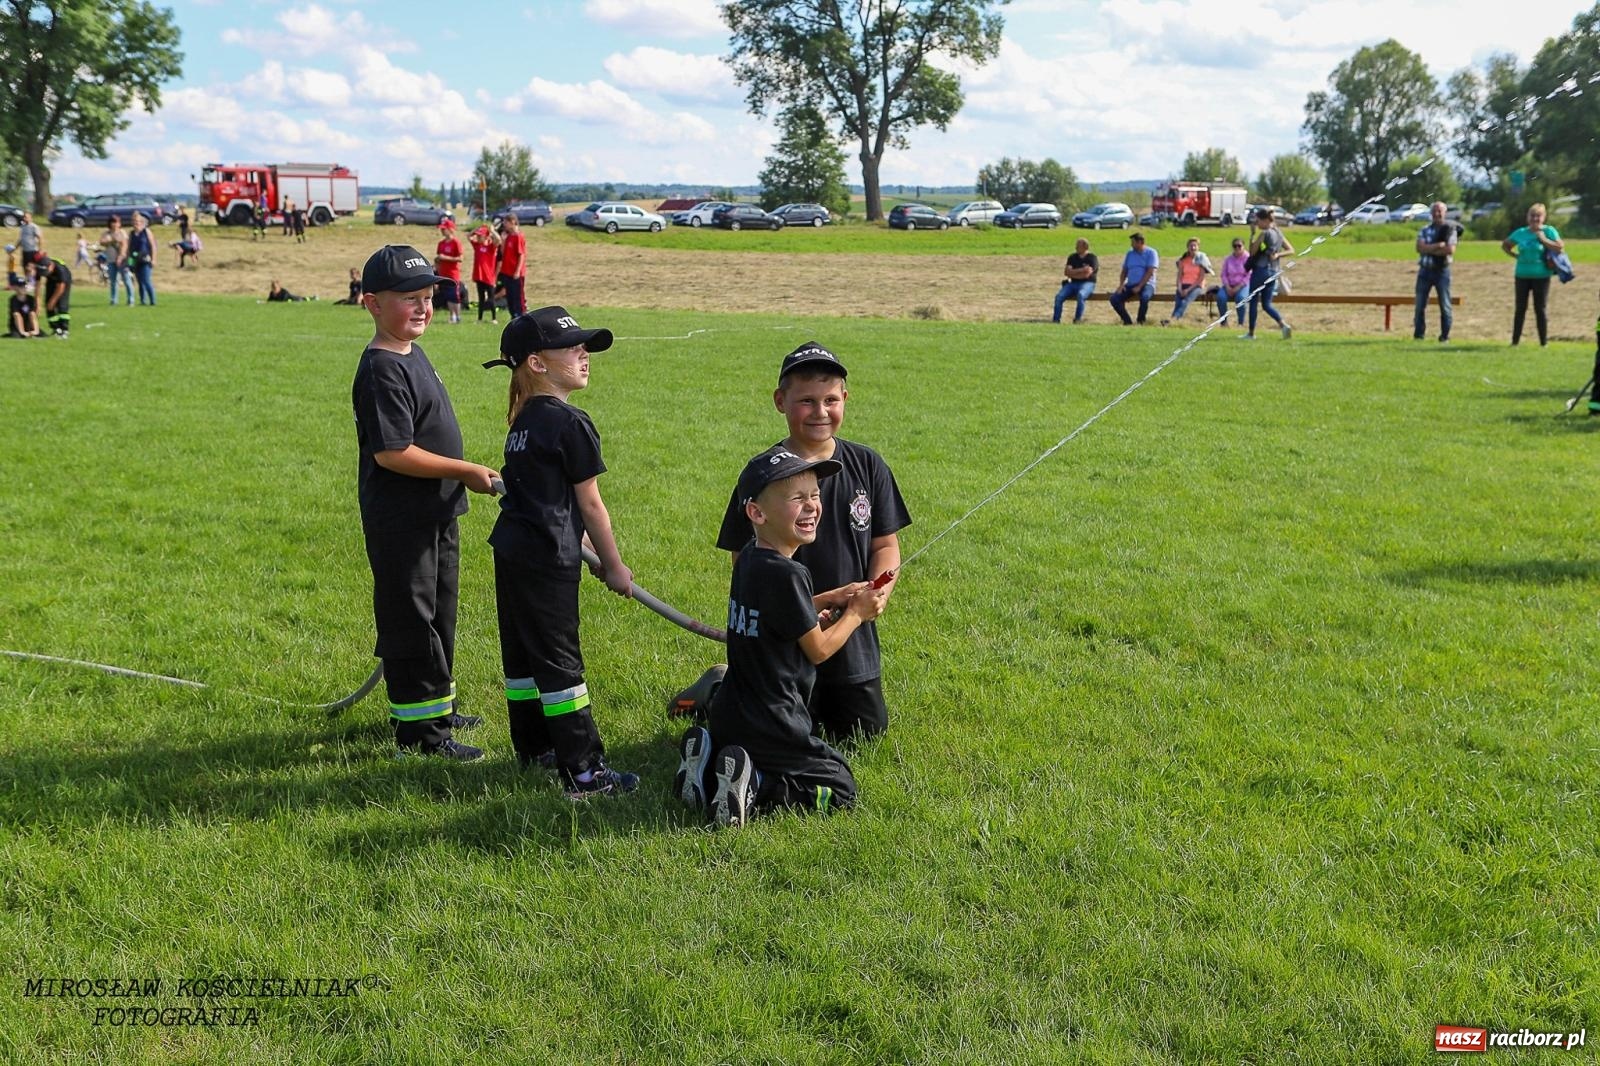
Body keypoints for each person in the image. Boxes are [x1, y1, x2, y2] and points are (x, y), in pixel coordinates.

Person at [683, 341, 910, 743]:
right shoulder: (761, 476)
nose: (820, 412)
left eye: (830, 400)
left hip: (847, 639)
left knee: (862, 734)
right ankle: (721, 689)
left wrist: (878, 592)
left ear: (845, 399)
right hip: (784, 646)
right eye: (806, 401)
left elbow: (885, 546)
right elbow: (744, 561)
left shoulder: (868, 465)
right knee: (778, 729)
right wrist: (796, 612)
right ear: (780, 401)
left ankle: (733, 686)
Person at [673, 449, 890, 827]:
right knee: (841, 786)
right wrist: (856, 613)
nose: (812, 506)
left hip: (732, 713)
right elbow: (819, 650)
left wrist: (833, 596)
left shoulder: (750, 562)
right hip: (775, 722)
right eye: (797, 498)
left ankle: (708, 767)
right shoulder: (790, 574)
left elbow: (784, 610)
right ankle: (758, 784)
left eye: (815, 495)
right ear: (757, 513)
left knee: (799, 765)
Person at [481, 306, 640, 796]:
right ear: (536, 363)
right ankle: (585, 773)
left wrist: (584, 544)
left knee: (525, 657)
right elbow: (589, 503)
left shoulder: (524, 420)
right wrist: (613, 565)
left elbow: (545, 496)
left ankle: (535, 748)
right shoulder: (571, 423)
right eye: (573, 347)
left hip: (513, 550)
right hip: (546, 559)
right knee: (558, 662)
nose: (584, 355)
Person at [351, 245, 500, 759]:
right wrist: (465, 471)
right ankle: (421, 735)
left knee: (440, 612)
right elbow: (393, 453)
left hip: (437, 510)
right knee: (412, 619)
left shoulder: (411, 352)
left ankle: (437, 706)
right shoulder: (381, 369)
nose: (421, 308)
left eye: (427, 297)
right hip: (402, 519)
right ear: (371, 303)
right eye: (407, 299)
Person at [1501, 202, 1564, 347]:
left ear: (1544, 217)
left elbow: (1560, 248)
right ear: (1528, 217)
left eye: (1538, 216)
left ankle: (1543, 342)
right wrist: (1514, 255)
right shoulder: (1521, 233)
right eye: (1532, 215)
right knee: (1520, 308)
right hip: (1522, 275)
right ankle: (1515, 342)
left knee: (1540, 309)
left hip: (1541, 276)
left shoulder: (1549, 231)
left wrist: (1543, 240)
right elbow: (1505, 245)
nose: (1535, 219)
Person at [1412, 201, 1458, 343]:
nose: (1437, 214)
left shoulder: (1450, 229)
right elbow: (1420, 248)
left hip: (1442, 272)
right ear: (1431, 213)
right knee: (1420, 305)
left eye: (1440, 211)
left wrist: (1429, 248)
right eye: (1435, 211)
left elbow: (1450, 250)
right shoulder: (1424, 229)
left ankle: (1445, 336)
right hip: (1424, 271)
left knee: (1445, 305)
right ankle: (1419, 335)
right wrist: (1438, 246)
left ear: (1445, 213)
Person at [1245, 207, 1293, 340]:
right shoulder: (1278, 233)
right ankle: (1283, 325)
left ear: (1266, 220)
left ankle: (1251, 333)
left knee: (1253, 301)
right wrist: (1278, 254)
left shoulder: (1264, 233)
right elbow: (1291, 250)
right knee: (1266, 304)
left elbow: (1252, 252)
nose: (1257, 224)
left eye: (1258, 221)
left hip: (1261, 270)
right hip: (1274, 271)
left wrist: (1252, 234)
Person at [1108, 232, 1159, 326]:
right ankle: (1127, 321)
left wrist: (1140, 286)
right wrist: (1121, 285)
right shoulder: (1130, 254)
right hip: (1131, 284)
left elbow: (1150, 271)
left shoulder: (1151, 253)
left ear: (1140, 242)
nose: (1131, 244)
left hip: (1146, 284)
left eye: (1133, 242)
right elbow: (1124, 271)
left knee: (1144, 297)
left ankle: (1140, 321)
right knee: (1114, 299)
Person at [1166, 237, 1213, 323]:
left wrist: (1188, 290)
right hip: (1183, 284)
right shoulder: (1183, 260)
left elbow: (1201, 278)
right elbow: (1179, 275)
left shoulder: (1201, 259)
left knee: (1185, 302)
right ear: (1187, 247)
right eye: (1191, 246)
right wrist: (1180, 288)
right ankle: (1173, 320)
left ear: (1198, 247)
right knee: (1178, 302)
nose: (1193, 248)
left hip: (1196, 286)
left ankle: (1172, 320)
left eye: (1195, 246)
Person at [1053, 238, 1098, 324]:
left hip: (1088, 283)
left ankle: (1077, 319)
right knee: (1059, 297)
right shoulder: (1072, 257)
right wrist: (1082, 270)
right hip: (1072, 283)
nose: (1076, 247)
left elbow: (1087, 275)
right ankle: (1056, 320)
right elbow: (1066, 272)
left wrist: (1073, 273)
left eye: (1078, 245)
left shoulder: (1092, 258)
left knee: (1081, 295)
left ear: (1085, 247)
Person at [496, 213, 527, 317]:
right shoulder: (509, 236)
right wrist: (503, 241)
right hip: (507, 271)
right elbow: (503, 253)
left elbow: (521, 255)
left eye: (506, 222)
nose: (504, 225)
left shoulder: (518, 236)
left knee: (518, 296)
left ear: (513, 222)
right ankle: (513, 316)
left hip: (515, 272)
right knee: (510, 296)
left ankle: (521, 315)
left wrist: (517, 271)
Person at [434, 219, 464, 325]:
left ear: (450, 229)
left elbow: (460, 258)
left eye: (444, 229)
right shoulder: (441, 243)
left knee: (454, 296)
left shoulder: (456, 243)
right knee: (447, 296)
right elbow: (438, 259)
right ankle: (452, 316)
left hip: (453, 274)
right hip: (443, 274)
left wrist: (445, 257)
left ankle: (458, 316)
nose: (442, 231)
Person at [469, 224, 500, 322]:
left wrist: (492, 231)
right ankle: (480, 318)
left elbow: (498, 240)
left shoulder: (491, 247)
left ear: (486, 236)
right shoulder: (477, 245)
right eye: (477, 236)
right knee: (481, 298)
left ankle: (494, 318)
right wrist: (476, 229)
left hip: (488, 277)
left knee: (491, 299)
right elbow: (468, 236)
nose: (477, 237)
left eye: (480, 236)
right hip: (479, 276)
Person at [1216, 237, 1250, 327]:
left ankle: (1240, 323)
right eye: (1235, 246)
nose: (1237, 248)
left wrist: (1238, 287)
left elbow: (1249, 275)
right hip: (1229, 285)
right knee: (1220, 297)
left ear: (1243, 246)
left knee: (1241, 298)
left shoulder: (1248, 258)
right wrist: (1227, 286)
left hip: (1243, 285)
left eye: (1239, 246)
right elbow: (1224, 274)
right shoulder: (1228, 259)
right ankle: (1223, 323)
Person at [100, 216, 132, 306]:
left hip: (122, 260)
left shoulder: (122, 232)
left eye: (117, 222)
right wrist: (111, 241)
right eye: (113, 222)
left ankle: (131, 300)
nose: (115, 224)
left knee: (126, 280)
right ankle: (114, 300)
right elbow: (102, 242)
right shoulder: (106, 233)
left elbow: (125, 245)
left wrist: (121, 256)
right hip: (110, 259)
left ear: (119, 223)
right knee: (113, 281)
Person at [127, 213, 156, 306]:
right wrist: (129, 262)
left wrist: (154, 259)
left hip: (145, 260)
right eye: (134, 221)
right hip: (135, 260)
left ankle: (152, 301)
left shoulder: (146, 232)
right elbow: (129, 249)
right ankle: (143, 301)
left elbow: (153, 246)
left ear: (142, 222)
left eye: (138, 221)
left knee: (146, 280)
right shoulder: (131, 234)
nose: (136, 223)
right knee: (139, 281)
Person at [38, 256, 71, 337]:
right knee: (48, 304)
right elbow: (37, 283)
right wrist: (37, 301)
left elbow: (61, 287)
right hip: (51, 281)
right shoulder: (41, 267)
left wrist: (53, 301)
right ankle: (56, 328)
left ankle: (64, 329)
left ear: (51, 266)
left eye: (46, 271)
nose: (45, 274)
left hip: (64, 282)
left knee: (62, 304)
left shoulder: (61, 270)